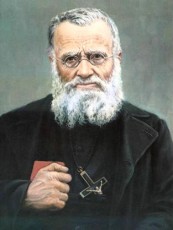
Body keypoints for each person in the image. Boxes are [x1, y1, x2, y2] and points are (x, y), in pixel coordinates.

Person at [0, 8, 173, 230]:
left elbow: (168, 205)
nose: (84, 70)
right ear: (54, 62)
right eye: (70, 59)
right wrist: (23, 195)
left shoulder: (152, 130)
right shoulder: (12, 127)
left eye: (97, 57)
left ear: (117, 58)